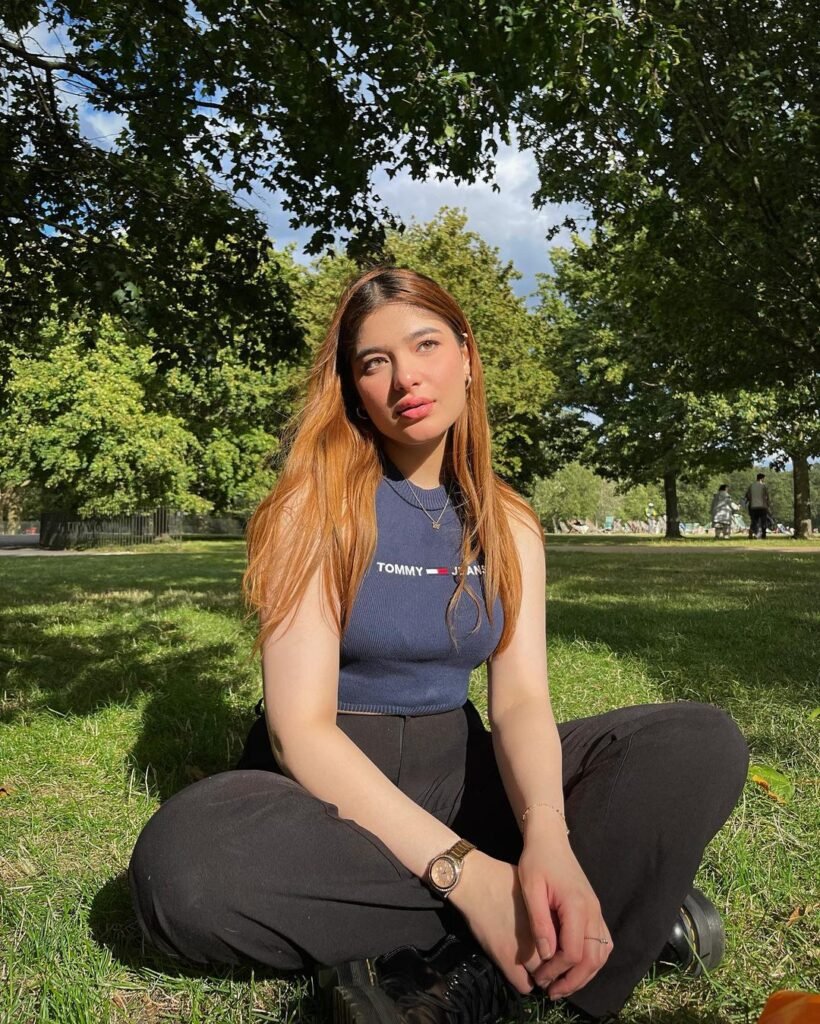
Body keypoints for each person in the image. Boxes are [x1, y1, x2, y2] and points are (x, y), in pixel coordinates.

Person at [128, 267, 749, 1023]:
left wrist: (547, 839)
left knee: (698, 741)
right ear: (354, 388)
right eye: (373, 362)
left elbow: (520, 701)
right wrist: (469, 875)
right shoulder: (311, 508)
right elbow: (301, 731)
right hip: (324, 798)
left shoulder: (511, 524)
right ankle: (605, 917)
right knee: (183, 870)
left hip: (461, 777)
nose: (404, 378)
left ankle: (532, 918)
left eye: (424, 345)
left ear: (466, 357)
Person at [745, 473, 771, 540]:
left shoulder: (751, 486)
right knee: (763, 521)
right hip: (762, 506)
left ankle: (752, 531)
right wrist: (768, 504)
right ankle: (763, 535)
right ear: (762, 478)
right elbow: (767, 496)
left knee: (754, 521)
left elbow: (747, 496)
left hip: (753, 506)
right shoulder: (763, 486)